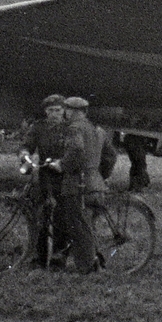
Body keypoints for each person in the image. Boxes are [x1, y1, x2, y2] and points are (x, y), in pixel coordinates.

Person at [51, 96, 106, 273]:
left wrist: (62, 165)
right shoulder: (92, 127)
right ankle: (91, 262)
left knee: (78, 226)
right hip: (94, 181)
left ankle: (88, 266)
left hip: (78, 183)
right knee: (85, 225)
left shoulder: (74, 128)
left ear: (72, 111)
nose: (65, 113)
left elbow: (76, 150)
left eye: (66, 110)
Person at [21, 94, 67, 266]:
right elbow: (27, 145)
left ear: (63, 111)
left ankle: (58, 256)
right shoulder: (38, 127)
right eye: (50, 110)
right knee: (39, 217)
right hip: (43, 175)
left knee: (61, 219)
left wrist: (62, 163)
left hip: (63, 175)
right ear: (45, 112)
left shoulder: (69, 128)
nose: (54, 114)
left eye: (57, 110)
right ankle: (38, 258)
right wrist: (25, 155)